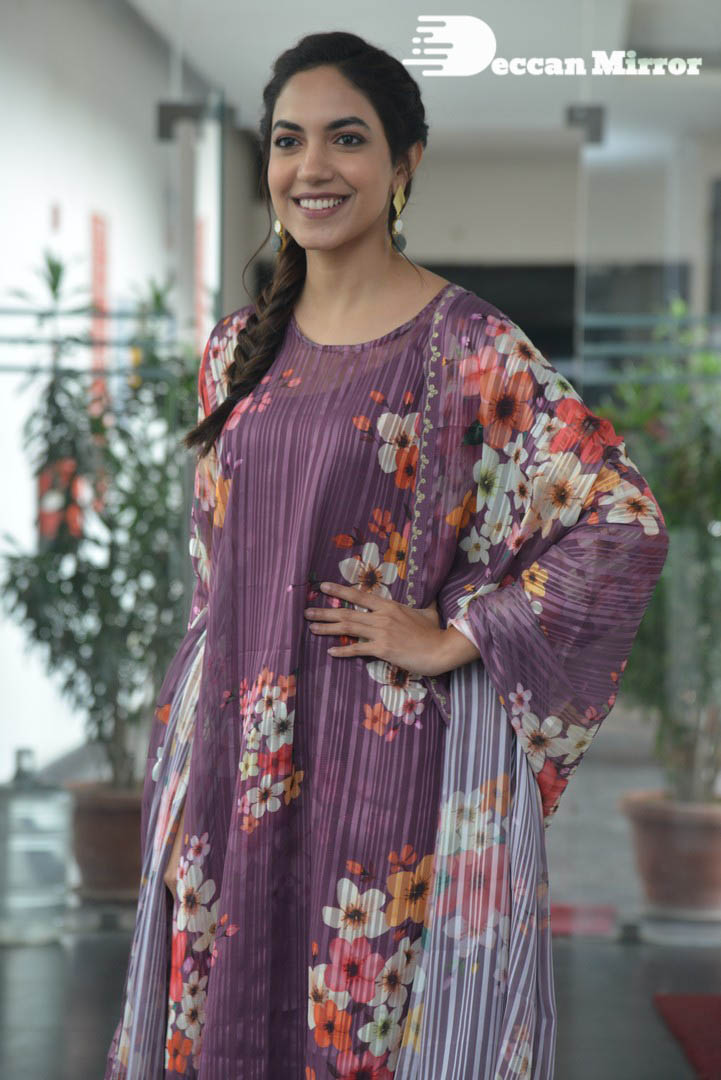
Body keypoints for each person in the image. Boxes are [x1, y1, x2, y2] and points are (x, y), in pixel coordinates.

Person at [105, 30, 669, 1079]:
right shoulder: (235, 349)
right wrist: (184, 764)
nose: (311, 167)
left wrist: (461, 633)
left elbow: (619, 518)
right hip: (228, 758)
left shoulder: (469, 347)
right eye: (288, 141)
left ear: (405, 162)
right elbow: (214, 579)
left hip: (381, 763)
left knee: (357, 1034)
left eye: (346, 138)